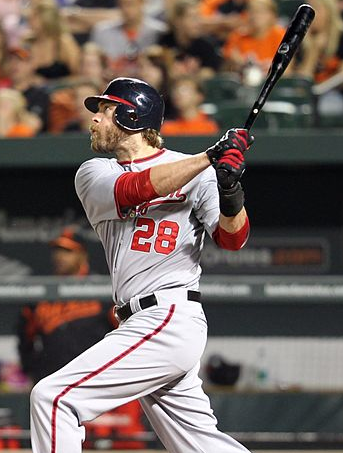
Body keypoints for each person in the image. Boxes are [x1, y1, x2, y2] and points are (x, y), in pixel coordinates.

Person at [30, 77, 254, 453]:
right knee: (201, 445)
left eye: (105, 110)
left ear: (132, 115)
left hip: (168, 314)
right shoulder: (94, 172)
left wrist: (230, 192)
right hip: (138, 320)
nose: (95, 120)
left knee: (53, 399)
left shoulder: (197, 171)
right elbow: (135, 189)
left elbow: (232, 239)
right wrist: (208, 159)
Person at [18, 226, 146, 450]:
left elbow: (127, 331)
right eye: (57, 250)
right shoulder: (40, 294)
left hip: (97, 385)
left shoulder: (104, 289)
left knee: (118, 444)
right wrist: (34, 370)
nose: (60, 257)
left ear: (82, 254)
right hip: (56, 384)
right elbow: (25, 338)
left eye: (67, 251)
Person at [90, 0, 166, 78]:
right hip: (111, 84)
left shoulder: (159, 32)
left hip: (147, 85)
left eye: (130, 4)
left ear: (142, 3)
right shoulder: (102, 32)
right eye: (122, 5)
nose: (126, 9)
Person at [222, 0, 285, 81]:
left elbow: (288, 70)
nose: (255, 16)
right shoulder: (237, 37)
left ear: (272, 15)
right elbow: (224, 70)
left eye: (261, 12)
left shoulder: (281, 36)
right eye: (252, 11)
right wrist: (234, 63)